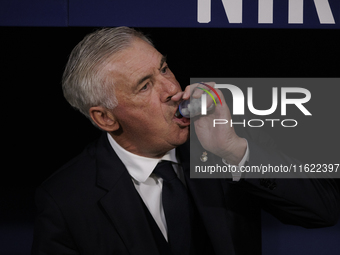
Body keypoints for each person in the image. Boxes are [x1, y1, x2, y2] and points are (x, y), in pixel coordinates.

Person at [31, 27, 340, 255]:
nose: (172, 88)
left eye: (164, 68)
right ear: (105, 118)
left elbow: (324, 212)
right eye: (144, 86)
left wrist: (233, 151)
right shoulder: (64, 200)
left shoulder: (226, 135)